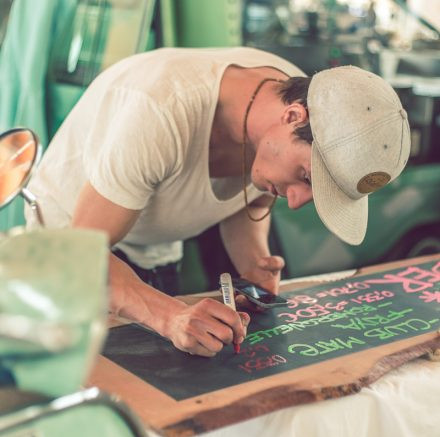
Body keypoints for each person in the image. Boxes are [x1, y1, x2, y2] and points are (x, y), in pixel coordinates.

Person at [25, 47, 410, 357]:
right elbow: (78, 255)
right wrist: (169, 316)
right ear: (293, 116)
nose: (295, 202)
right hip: (69, 247)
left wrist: (252, 259)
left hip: (154, 244)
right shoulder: (161, 109)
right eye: (306, 179)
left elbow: (249, 181)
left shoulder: (292, 96)